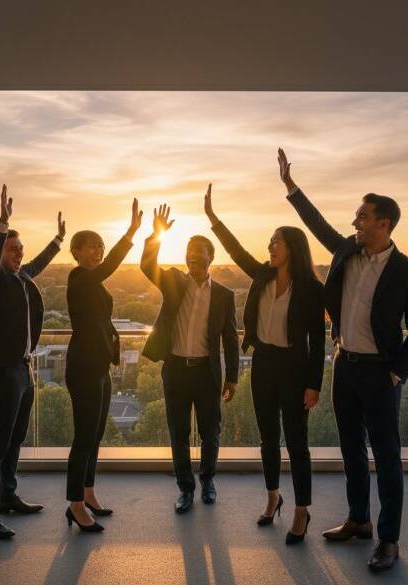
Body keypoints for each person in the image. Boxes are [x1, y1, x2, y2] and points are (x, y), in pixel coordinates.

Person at [278, 148, 408, 571]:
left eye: (362, 217)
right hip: (344, 366)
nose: (355, 223)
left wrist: (398, 372)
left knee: (386, 457)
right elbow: (317, 223)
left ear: (384, 223)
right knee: (350, 451)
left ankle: (389, 540)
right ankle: (359, 520)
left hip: (382, 374)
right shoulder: (347, 252)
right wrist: (291, 187)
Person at [204, 184, 326, 545]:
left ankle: (302, 510)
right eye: (270, 242)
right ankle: (273, 497)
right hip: (263, 363)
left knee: (297, 441)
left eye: (275, 242)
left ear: (292, 248)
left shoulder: (310, 288)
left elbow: (318, 341)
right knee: (268, 438)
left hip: (294, 367)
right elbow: (235, 249)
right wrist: (214, 219)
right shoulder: (263, 276)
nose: (269, 247)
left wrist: (314, 384)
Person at [0, 184, 66, 539]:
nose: (19, 254)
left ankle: (7, 497)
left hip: (23, 368)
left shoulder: (21, 276)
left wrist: (57, 241)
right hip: (1, 370)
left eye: (20, 249)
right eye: (13, 249)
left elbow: (37, 263)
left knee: (15, 439)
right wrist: (0, 226)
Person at [140, 203, 239, 514]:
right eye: (188, 250)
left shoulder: (224, 295)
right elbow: (146, 264)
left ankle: (208, 481)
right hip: (176, 372)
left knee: (211, 432)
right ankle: (186, 488)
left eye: (199, 250)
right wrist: (156, 234)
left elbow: (230, 339)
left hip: (206, 374)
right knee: (178, 432)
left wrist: (232, 377)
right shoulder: (173, 281)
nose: (192, 255)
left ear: (211, 257)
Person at [64, 198, 143, 532]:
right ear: (77, 252)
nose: (97, 252)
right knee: (84, 437)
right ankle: (75, 504)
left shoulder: (92, 282)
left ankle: (88, 493)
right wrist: (130, 234)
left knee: (95, 435)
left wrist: (112, 349)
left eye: (101, 246)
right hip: (83, 367)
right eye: (92, 247)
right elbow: (110, 267)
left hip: (98, 366)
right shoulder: (79, 277)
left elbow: (102, 320)